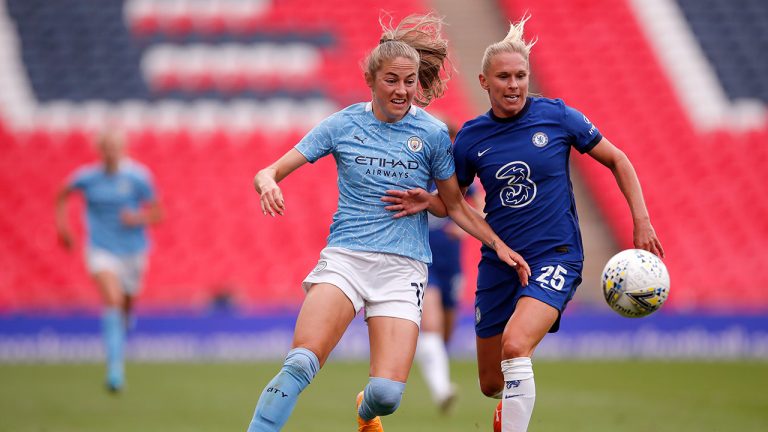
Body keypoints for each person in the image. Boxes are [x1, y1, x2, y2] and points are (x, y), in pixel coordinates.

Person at [245, 13, 530, 432]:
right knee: (301, 363)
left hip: (403, 269)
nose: (402, 90)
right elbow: (269, 170)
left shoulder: (433, 134)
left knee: (387, 395)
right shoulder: (343, 124)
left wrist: (497, 242)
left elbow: (453, 205)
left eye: (410, 81)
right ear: (372, 79)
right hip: (346, 260)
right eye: (392, 80)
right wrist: (267, 182)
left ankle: (366, 412)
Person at [382, 14, 664, 432]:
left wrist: (640, 221)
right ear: (484, 82)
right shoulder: (472, 138)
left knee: (515, 346)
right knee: (491, 382)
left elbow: (618, 159)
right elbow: (455, 204)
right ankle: (511, 405)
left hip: (556, 256)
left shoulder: (558, 117)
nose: (513, 85)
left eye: (520, 76)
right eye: (504, 77)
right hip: (500, 262)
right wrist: (429, 201)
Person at [55, 129, 162, 393]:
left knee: (125, 303)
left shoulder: (138, 177)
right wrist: (63, 227)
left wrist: (137, 219)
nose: (111, 153)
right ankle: (115, 370)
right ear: (100, 150)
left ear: (124, 150)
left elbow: (159, 213)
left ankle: (123, 322)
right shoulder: (88, 178)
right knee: (112, 299)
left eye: (116, 148)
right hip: (101, 249)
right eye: (107, 148)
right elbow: (62, 194)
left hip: (133, 251)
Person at [414, 120, 482, 414]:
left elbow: (478, 206)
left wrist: (465, 227)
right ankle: (442, 389)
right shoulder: (417, 171)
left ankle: (436, 373)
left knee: (445, 332)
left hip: (451, 261)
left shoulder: (458, 176)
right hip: (422, 258)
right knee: (431, 323)